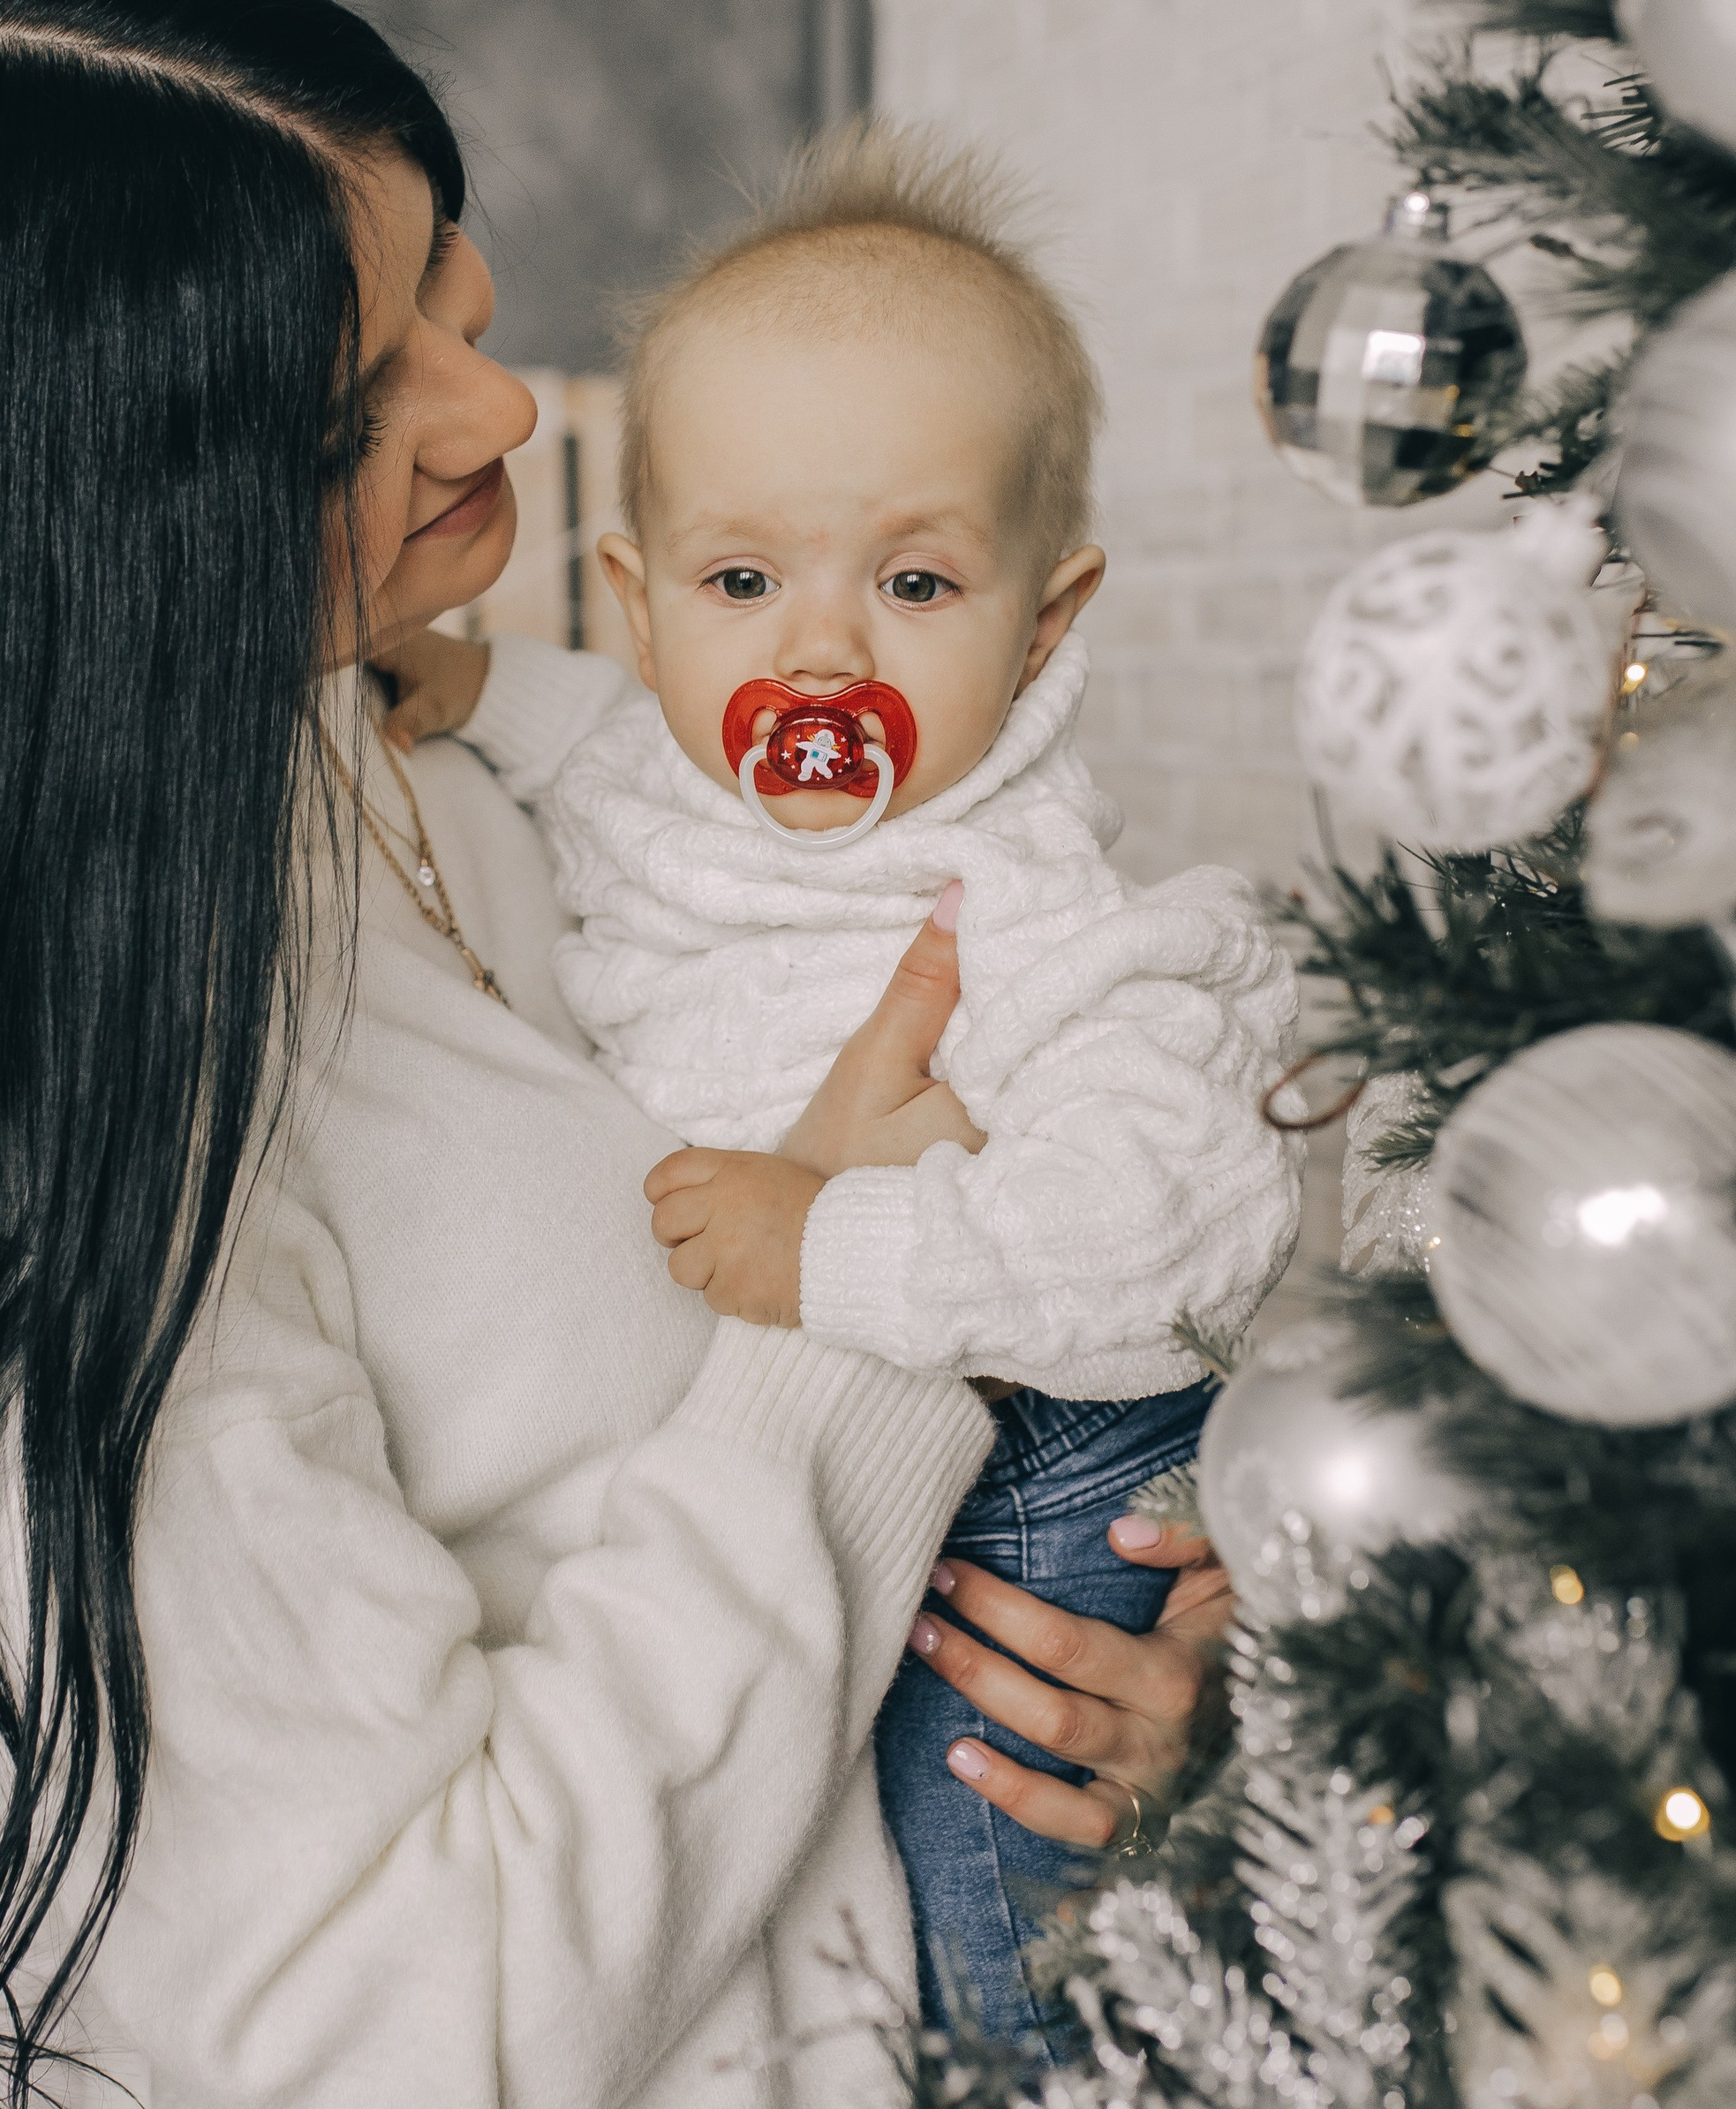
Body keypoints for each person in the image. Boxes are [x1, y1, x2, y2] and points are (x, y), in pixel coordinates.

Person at [0, 0, 1234, 2109]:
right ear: (86, 522)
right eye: (361, 398)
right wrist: (843, 1309)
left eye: (454, 283)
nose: (500, 404)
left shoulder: (386, 732)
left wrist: (1109, 1684)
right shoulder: (86, 1195)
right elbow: (411, 2037)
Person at [376, 124, 1301, 2041]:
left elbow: (1166, 1229)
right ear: (638, 608)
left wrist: (834, 1249)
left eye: (911, 581)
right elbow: (604, 749)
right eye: (740, 577)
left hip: (1033, 1484)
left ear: (1044, 621)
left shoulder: (1038, 913)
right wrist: (459, 690)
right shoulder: (658, 763)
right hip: (805, 1509)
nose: (814, 648)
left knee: (992, 1933)